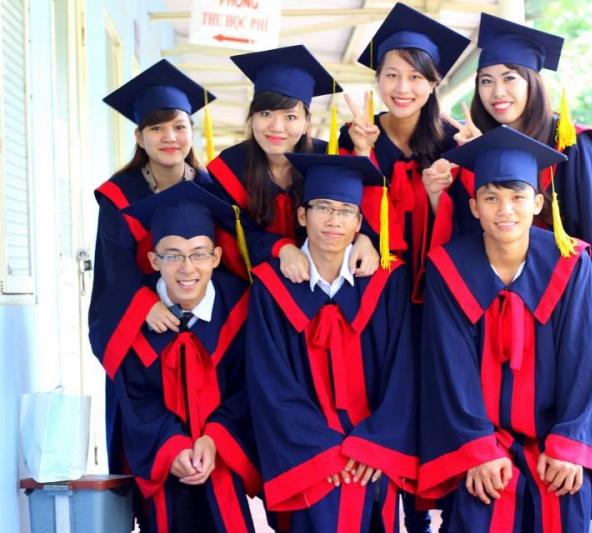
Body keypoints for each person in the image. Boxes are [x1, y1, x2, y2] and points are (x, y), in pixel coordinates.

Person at [442, 13, 592, 530]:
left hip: (574, 317)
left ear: (534, 82)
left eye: (510, 77)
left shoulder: (572, 146)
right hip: (503, 324)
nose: (497, 92)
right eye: (486, 80)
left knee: (587, 452)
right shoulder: (477, 153)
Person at [417, 126, 592, 532]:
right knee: (478, 503)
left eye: (517, 197)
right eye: (491, 198)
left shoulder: (570, 263)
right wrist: (476, 448)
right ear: (474, 207)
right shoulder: (448, 268)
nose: (504, 210)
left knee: (563, 498)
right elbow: (449, 366)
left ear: (538, 202)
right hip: (482, 448)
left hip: (554, 447)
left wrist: (570, 444)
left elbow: (584, 360)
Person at [339, 6, 470, 529]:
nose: (402, 88)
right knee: (383, 398)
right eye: (391, 75)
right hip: (379, 299)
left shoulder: (455, 142)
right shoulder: (356, 137)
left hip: (440, 295)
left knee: (435, 398)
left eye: (416, 77)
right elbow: (344, 211)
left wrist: (440, 197)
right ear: (377, 79)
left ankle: (429, 515)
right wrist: (362, 156)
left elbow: (469, 228)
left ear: (434, 83)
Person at [245, 154, 417, 532]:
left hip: (374, 456)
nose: (334, 220)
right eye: (322, 207)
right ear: (302, 216)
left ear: (359, 223)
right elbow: (269, 381)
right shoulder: (271, 287)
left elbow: (404, 372)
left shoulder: (388, 282)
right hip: (308, 458)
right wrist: (320, 452)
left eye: (345, 211)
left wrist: (373, 445)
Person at [89, 59, 223, 481]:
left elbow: (228, 262)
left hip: (205, 330)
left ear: (191, 132)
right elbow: (113, 270)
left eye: (179, 126)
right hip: (147, 332)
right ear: (139, 137)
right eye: (157, 128)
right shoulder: (119, 195)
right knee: (150, 430)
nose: (170, 137)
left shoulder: (211, 188)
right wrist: (144, 304)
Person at [115, 181, 260, 532]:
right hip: (165, 460)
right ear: (153, 260)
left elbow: (249, 388)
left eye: (198, 254)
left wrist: (215, 439)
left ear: (216, 258)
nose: (187, 268)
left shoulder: (241, 307)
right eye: (172, 255)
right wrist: (172, 446)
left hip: (222, 457)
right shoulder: (133, 316)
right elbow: (135, 397)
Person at [207, 44, 379, 283]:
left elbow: (355, 206)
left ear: (307, 123)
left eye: (290, 117)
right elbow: (232, 231)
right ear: (251, 117)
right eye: (265, 114)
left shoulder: (329, 157)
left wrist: (366, 238)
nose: (277, 127)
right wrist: (281, 247)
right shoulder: (229, 168)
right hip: (257, 282)